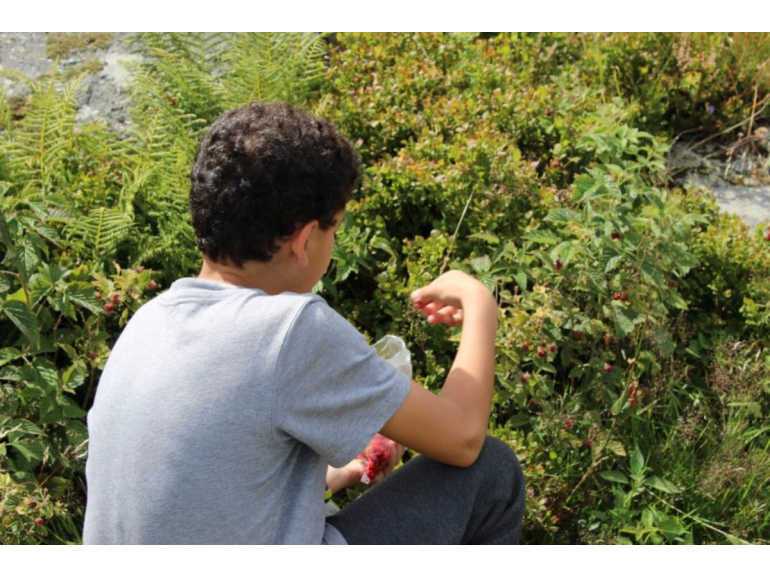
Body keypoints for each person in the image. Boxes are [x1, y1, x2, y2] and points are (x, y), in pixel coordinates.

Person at [82, 101, 526, 545]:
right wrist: (479, 300)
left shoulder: (147, 324)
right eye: (334, 230)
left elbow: (199, 496)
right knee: (493, 472)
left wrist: (337, 475)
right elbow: (463, 439)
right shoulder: (290, 330)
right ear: (304, 239)